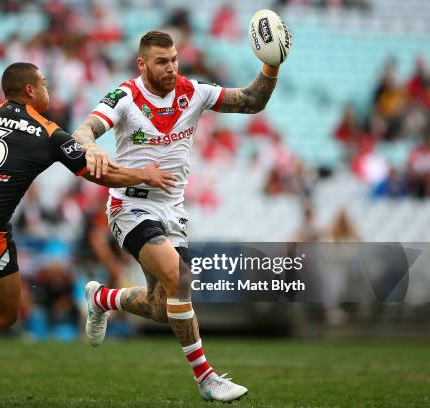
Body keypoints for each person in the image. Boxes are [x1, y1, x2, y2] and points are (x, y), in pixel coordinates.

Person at [0, 62, 176, 403]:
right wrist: (144, 175)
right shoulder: (49, 132)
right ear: (30, 90)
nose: (48, 90)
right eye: (43, 83)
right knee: (5, 313)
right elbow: (101, 175)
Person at [72, 30, 289, 402]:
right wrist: (90, 147)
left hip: (173, 210)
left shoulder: (195, 92)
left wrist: (271, 63)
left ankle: (102, 299)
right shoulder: (124, 97)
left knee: (162, 307)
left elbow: (252, 101)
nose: (171, 67)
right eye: (161, 61)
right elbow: (84, 130)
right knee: (180, 278)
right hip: (130, 206)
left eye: (173, 59)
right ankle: (207, 379)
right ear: (142, 64)